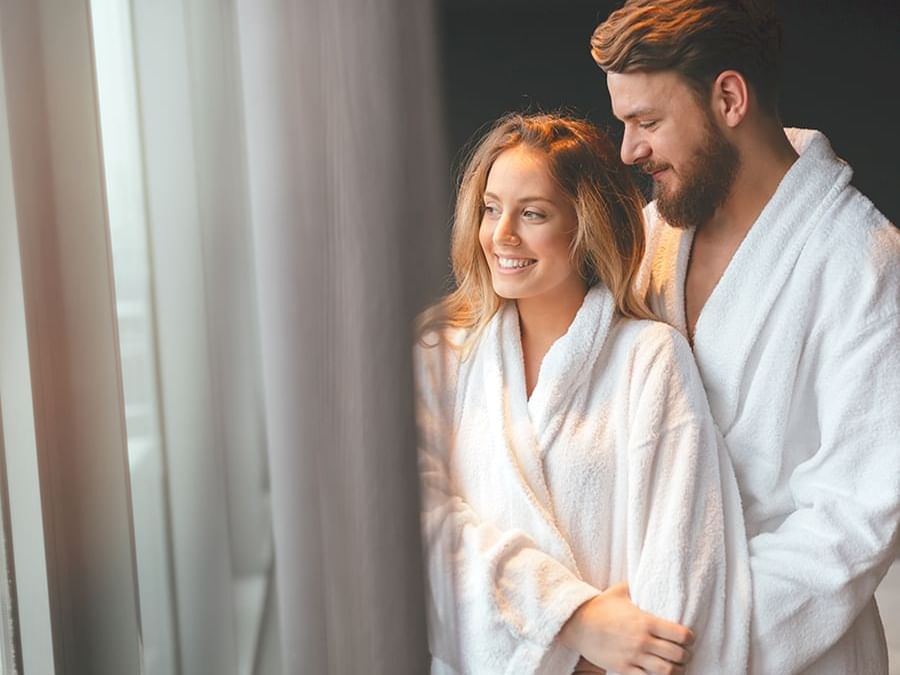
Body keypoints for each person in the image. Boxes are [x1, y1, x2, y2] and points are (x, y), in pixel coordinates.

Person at [591, 2, 900, 673]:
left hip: (786, 650)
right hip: (643, 639)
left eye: (648, 121)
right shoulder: (650, 238)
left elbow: (856, 518)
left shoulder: (863, 262)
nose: (628, 150)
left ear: (728, 96)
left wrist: (696, 642)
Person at [414, 112, 750, 675]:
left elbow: (684, 560)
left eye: (533, 214)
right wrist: (576, 623)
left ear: (585, 223)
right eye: (491, 209)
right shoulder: (439, 355)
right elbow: (420, 536)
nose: (503, 235)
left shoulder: (648, 358)